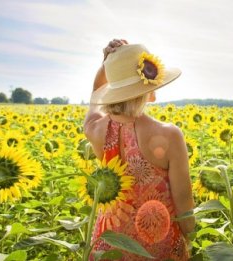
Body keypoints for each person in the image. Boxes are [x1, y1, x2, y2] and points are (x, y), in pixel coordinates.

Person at [84, 39, 195, 260]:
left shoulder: (96, 129)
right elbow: (184, 206)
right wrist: (191, 240)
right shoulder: (169, 135)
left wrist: (106, 65)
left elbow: (94, 100)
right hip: (158, 247)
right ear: (149, 87)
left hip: (108, 247)